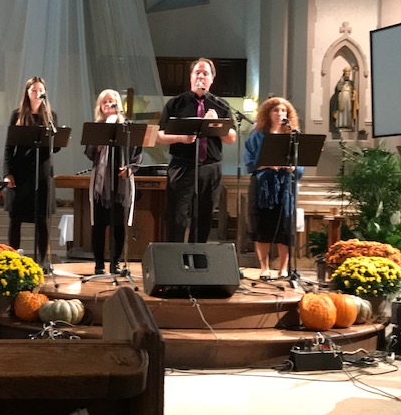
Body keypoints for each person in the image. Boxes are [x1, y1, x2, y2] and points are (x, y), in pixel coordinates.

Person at [157, 58, 237, 243]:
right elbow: (159, 136)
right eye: (197, 73)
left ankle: (198, 256)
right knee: (177, 216)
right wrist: (181, 138)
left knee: (204, 216)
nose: (201, 76)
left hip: (210, 167)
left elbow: (231, 138)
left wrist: (215, 123)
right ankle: (176, 256)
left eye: (205, 73)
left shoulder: (220, 105)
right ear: (191, 77)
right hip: (182, 165)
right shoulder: (176, 103)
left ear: (212, 79)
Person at [243, 97, 303, 278]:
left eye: (283, 110)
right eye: (276, 110)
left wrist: (292, 168)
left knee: (285, 226)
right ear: (267, 113)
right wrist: (266, 164)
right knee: (262, 225)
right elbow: (249, 163)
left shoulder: (293, 136)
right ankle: (264, 268)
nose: (280, 114)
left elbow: (300, 167)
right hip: (263, 184)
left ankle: (283, 268)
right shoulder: (257, 135)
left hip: (285, 185)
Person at [84, 89, 143, 275]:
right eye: (104, 102)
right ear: (100, 107)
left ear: (118, 104)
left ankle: (115, 263)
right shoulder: (97, 127)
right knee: (99, 225)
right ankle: (99, 265)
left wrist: (131, 168)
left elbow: (138, 153)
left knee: (119, 225)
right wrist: (97, 147)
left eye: (112, 101)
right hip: (101, 185)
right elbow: (88, 152)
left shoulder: (127, 127)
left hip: (121, 182)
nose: (108, 105)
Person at [3, 76, 59, 266]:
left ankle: (42, 263)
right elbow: (9, 147)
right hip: (20, 172)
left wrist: (55, 138)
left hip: (42, 174)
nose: (37, 93)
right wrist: (7, 173)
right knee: (15, 218)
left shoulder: (51, 116)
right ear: (27, 92)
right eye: (33, 90)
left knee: (42, 220)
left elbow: (55, 148)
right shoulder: (17, 115)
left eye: (40, 90)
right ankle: (12, 260)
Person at [330, 66, 358, 130]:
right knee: (341, 111)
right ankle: (340, 125)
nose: (347, 75)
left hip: (349, 98)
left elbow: (353, 89)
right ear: (344, 74)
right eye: (346, 74)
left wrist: (354, 93)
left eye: (348, 74)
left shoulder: (351, 82)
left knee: (348, 110)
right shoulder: (341, 81)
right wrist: (341, 82)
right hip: (341, 97)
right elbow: (338, 88)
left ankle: (348, 125)